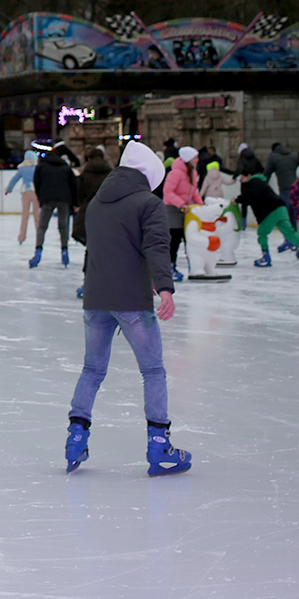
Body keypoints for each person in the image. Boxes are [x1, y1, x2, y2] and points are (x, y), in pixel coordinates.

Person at [62, 140, 190, 477]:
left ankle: (76, 437)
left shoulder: (97, 203)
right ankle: (160, 444)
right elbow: (157, 247)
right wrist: (164, 287)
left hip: (95, 298)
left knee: (92, 369)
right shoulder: (147, 203)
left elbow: (111, 248)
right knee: (153, 371)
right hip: (132, 301)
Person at [232, 171, 299, 267]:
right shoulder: (260, 182)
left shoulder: (254, 182)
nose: (242, 181)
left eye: (242, 178)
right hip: (281, 209)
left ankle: (266, 257)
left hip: (271, 211)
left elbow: (251, 195)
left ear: (249, 175)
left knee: (262, 233)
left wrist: (237, 200)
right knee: (290, 233)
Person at [31, 143, 78, 267]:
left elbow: (37, 183)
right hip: (64, 199)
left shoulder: (41, 166)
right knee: (63, 226)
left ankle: (38, 251)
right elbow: (74, 186)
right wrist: (74, 203)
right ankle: (64, 251)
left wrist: (40, 198)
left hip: (47, 199)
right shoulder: (66, 168)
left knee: (42, 226)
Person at [162, 146, 204, 281]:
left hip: (186, 210)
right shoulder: (175, 173)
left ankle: (195, 267)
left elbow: (194, 193)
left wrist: (201, 206)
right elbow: (168, 193)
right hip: (173, 210)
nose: (197, 160)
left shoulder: (193, 173)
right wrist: (181, 204)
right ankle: (170, 267)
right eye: (195, 158)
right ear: (188, 159)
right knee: (174, 240)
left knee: (189, 240)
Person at [69, 146, 113, 248]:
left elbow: (79, 193)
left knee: (90, 242)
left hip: (89, 208)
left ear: (89, 158)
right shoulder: (110, 173)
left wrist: (79, 204)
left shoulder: (85, 174)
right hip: (107, 210)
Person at [5, 151, 38, 244]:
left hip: (25, 192)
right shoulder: (37, 168)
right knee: (37, 216)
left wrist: (8, 189)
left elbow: (14, 179)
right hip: (36, 192)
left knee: (25, 216)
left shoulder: (22, 169)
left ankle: (21, 237)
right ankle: (39, 236)